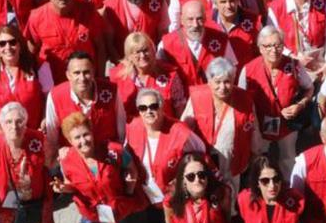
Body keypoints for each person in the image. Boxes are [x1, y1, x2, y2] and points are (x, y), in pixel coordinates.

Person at [54, 111, 148, 223]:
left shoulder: (113, 150)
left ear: (92, 132)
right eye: (77, 137)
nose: (83, 141)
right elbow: (71, 185)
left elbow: (131, 167)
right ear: (70, 140)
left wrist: (130, 188)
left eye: (86, 134)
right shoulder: (66, 161)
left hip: (117, 208)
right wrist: (63, 188)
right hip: (90, 212)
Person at [239, 26, 313, 177]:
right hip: (259, 125)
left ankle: (290, 189)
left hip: (287, 125)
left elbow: (309, 88)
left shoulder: (293, 65)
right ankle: (260, 187)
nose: (274, 50)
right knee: (259, 159)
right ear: (260, 48)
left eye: (278, 45)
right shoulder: (248, 70)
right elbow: (241, 100)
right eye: (268, 46)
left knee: (288, 159)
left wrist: (300, 105)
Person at [181, 57, 261, 193]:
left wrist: (255, 154)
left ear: (233, 80)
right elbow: (184, 130)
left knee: (230, 194)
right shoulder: (197, 97)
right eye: (217, 82)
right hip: (204, 159)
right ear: (209, 81)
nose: (222, 87)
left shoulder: (245, 99)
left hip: (232, 160)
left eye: (227, 82)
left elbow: (254, 130)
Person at [125, 88, 206, 204]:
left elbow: (200, 153)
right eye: (143, 108)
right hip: (143, 199)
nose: (148, 111)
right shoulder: (132, 128)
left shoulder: (180, 132)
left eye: (153, 106)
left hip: (173, 199)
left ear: (162, 107)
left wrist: (183, 178)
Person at [25, 0, 108, 84]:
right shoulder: (36, 17)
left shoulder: (88, 11)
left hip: (84, 80)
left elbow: (101, 47)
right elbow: (31, 53)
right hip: (52, 81)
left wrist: (101, 77)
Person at [44, 52, 126, 163]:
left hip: (108, 158)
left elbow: (122, 132)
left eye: (86, 72)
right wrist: (59, 153)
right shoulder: (56, 96)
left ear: (93, 72)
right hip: (74, 160)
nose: (82, 78)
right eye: (76, 73)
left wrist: (124, 159)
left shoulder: (111, 91)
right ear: (68, 75)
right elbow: (51, 138)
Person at [0, 26, 46, 133]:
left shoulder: (38, 66)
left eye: (13, 42)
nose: (8, 47)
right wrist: (0, 131)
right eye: (2, 44)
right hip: (5, 134)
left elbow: (49, 98)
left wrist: (44, 120)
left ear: (20, 44)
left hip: (35, 131)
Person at [163, 152, 232, 223]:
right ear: (183, 180)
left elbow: (227, 220)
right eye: (191, 176)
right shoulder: (172, 200)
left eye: (201, 175)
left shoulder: (220, 194)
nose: (197, 180)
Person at [159, 0, 237, 86]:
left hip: (211, 96)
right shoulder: (167, 44)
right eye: (190, 19)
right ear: (181, 20)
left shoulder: (221, 40)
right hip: (183, 97)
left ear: (205, 18)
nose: (195, 24)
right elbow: (160, 74)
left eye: (199, 19)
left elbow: (232, 70)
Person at [110, 33, 186, 120]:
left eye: (145, 50)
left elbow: (180, 111)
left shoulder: (170, 74)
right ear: (129, 56)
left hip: (164, 129)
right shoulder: (117, 78)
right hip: (131, 130)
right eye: (137, 52)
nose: (142, 55)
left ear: (153, 50)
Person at [103, 0, 169, 62]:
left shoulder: (158, 1)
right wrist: (122, 65)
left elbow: (163, 37)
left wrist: (156, 62)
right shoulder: (110, 6)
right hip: (123, 63)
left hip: (151, 61)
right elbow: (109, 43)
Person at [238, 155, 305, 223]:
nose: (272, 185)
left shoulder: (295, 201)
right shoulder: (245, 200)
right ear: (257, 183)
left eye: (276, 179)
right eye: (265, 181)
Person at [210, 0, 262, 66]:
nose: (228, 6)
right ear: (215, 3)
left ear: (238, 0)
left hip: (247, 75)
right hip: (219, 77)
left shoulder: (254, 21)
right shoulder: (206, 23)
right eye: (223, 2)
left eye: (232, 1)